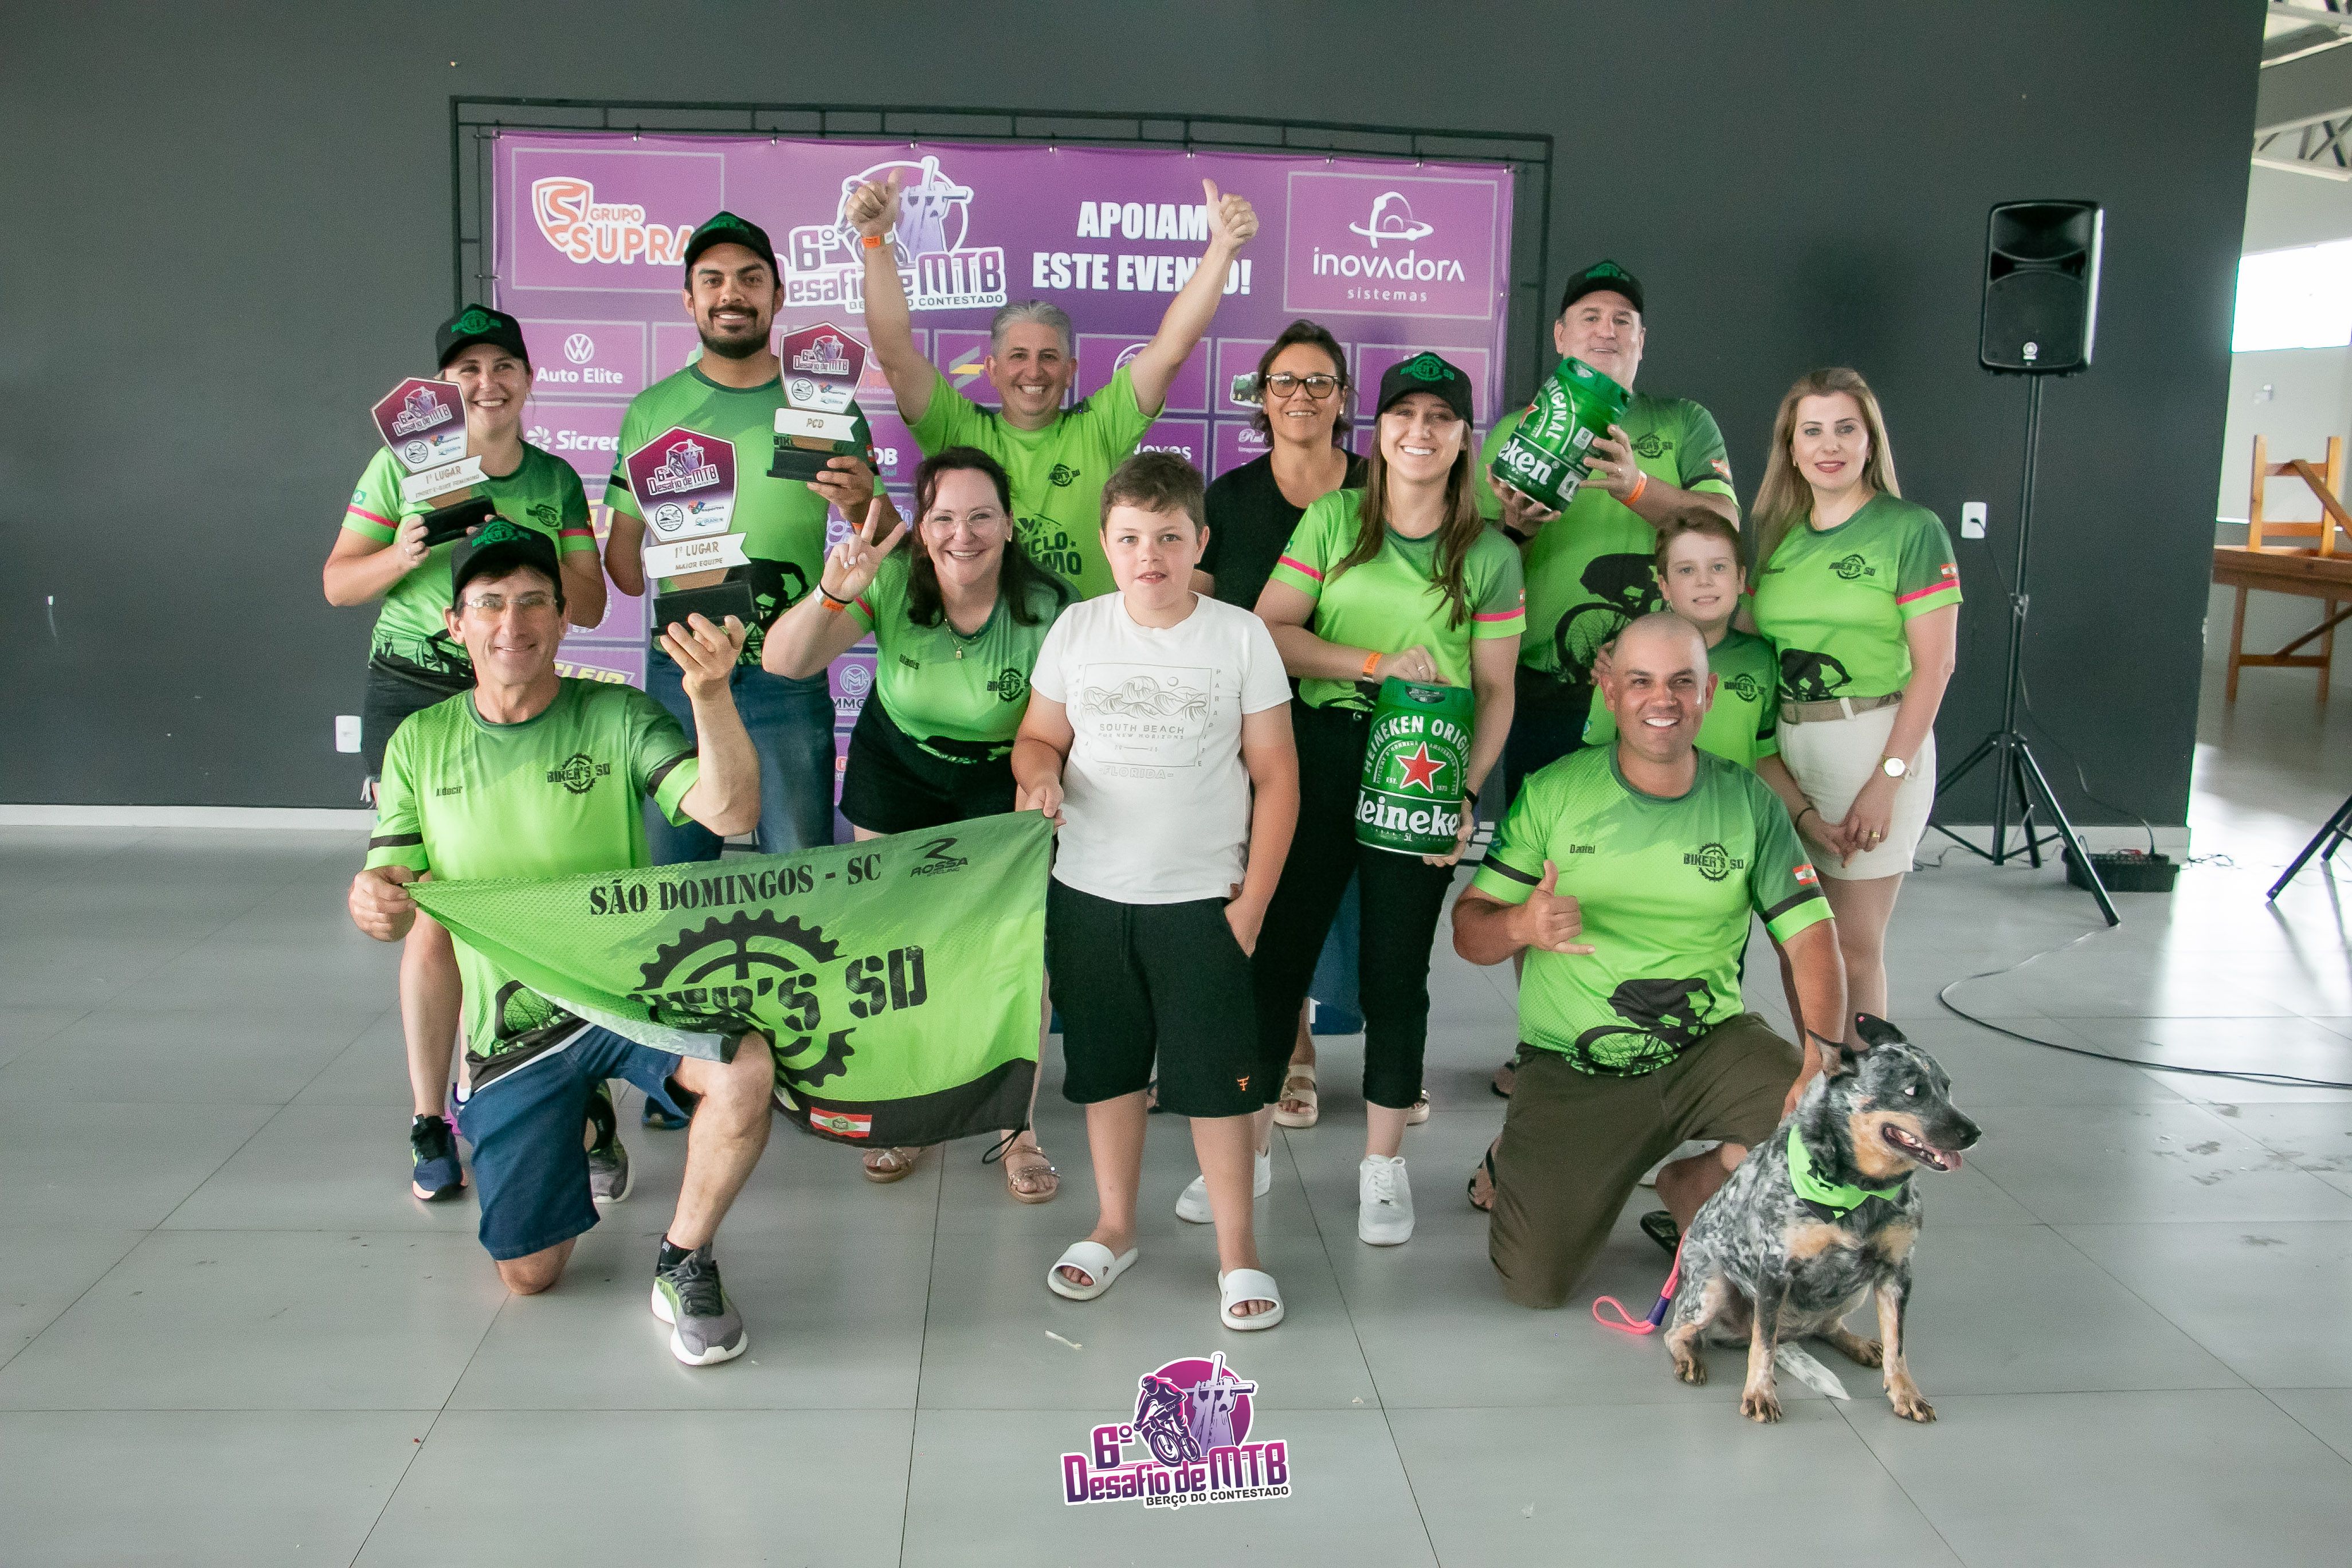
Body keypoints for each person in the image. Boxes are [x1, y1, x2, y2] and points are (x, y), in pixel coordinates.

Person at [346, 520, 777, 1366]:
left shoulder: (618, 714)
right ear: (456, 625)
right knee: (529, 1275)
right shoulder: (419, 743)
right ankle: (585, 1118)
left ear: (564, 617)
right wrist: (373, 899)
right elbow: (393, 901)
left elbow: (731, 812)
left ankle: (685, 1258)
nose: (513, 622)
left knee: (744, 1070)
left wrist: (711, 696)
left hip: (630, 994)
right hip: (516, 1027)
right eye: (490, 604)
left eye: (535, 601)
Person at [1453, 613, 1848, 1308]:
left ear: (1708, 694)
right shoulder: (1555, 792)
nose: (1661, 699)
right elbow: (1469, 931)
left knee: (1829, 1126)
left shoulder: (1749, 803)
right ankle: (1537, 1155)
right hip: (1576, 1066)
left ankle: (1694, 1183)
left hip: (1707, 1050)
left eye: (1681, 682)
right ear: (1610, 692)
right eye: (1640, 682)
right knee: (1533, 1284)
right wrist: (1520, 924)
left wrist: (1821, 1058)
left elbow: (1811, 938)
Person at [323, 304, 610, 1202]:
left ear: (529, 379)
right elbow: (338, 583)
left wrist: (535, 565)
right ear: (442, 388)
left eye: (503, 367)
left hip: (519, 682)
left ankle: (550, 1087)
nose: (487, 384)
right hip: (416, 688)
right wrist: (403, 551)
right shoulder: (397, 466)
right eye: (467, 371)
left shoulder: (554, 478)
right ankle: (430, 1116)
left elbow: (591, 604)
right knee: (431, 906)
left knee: (533, 879)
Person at [1014, 453, 1298, 1328]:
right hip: (1088, 895)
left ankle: (1238, 1252)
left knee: (1219, 1085)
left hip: (1204, 904)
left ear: (1200, 542)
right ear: (1106, 544)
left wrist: (1252, 906)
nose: (1151, 556)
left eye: (1170, 538)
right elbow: (1037, 738)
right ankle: (1114, 1226)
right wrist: (1038, 777)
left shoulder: (1240, 637)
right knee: (1107, 1072)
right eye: (1132, 538)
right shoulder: (1078, 630)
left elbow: (1278, 778)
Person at [1251, 352, 1523, 1247]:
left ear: (1463, 439)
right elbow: (1269, 632)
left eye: (1440, 418)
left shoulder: (1488, 554)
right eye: (1404, 415)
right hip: (1326, 748)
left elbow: (1497, 690)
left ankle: (1382, 1166)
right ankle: (1244, 1151)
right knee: (1281, 957)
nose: (1420, 431)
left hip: (1425, 766)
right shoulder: (1336, 518)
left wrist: (1468, 790)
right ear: (1378, 430)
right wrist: (1371, 663)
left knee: (1396, 973)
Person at [762, 446, 1073, 1200]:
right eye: (943, 518)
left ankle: (1017, 1129)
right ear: (921, 526)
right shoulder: (892, 578)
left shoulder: (1052, 607)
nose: (962, 536)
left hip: (1003, 770)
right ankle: (906, 1114)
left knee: (1012, 957)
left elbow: (1061, 731)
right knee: (895, 951)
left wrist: (1042, 786)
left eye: (981, 517)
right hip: (898, 765)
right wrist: (830, 595)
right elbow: (784, 662)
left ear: (1009, 525)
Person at [1468, 509, 1791, 1212]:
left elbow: (1767, 756)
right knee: (1597, 1028)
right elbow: (1600, 758)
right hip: (1628, 853)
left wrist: (1803, 819)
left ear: (1743, 579)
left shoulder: (1760, 662)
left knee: (1705, 1023)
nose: (1703, 582)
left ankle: (1686, 1168)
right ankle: (1530, 1143)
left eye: (1718, 568)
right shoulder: (1615, 680)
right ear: (1662, 583)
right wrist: (1532, 914)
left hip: (1717, 859)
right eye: (1686, 569)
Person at [1479, 260, 1739, 1098]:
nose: (1606, 328)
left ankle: (1675, 1049)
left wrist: (1636, 486)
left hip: (1663, 697)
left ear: (1641, 341)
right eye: (1590, 316)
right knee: (1546, 876)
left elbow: (1725, 527)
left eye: (1623, 319)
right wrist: (1515, 527)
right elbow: (1472, 558)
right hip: (1546, 689)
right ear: (1560, 335)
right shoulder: (1516, 429)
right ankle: (1548, 1048)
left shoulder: (1681, 421)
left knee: (1673, 873)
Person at [604, 210, 879, 864]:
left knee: (799, 873)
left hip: (789, 672)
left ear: (778, 296)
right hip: (685, 668)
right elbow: (624, 569)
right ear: (689, 299)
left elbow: (882, 542)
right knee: (673, 876)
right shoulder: (651, 411)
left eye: (751, 279)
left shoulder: (829, 406)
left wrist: (860, 500)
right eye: (713, 279)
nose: (732, 294)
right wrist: (666, 538)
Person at [848, 171, 1257, 598]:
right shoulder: (956, 430)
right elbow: (894, 354)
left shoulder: (1099, 427)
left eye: (1048, 357)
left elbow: (1170, 351)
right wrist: (875, 240)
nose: (1034, 372)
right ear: (991, 369)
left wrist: (1223, 249)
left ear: (1070, 370)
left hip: (1085, 638)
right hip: (985, 637)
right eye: (1018, 356)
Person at [1746, 368, 1961, 1022]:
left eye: (1845, 428)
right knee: (1799, 946)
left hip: (1872, 743)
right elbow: (1744, 635)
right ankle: (1819, 1072)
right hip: (1787, 751)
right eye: (1812, 431)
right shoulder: (1778, 534)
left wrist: (1885, 782)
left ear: (1870, 441)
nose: (1829, 445)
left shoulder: (1911, 529)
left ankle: (1864, 1083)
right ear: (1791, 448)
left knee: (1853, 948)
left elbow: (1936, 666)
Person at [1200, 320, 1370, 1132]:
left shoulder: (1386, 487)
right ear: (1261, 398)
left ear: (1344, 398)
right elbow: (1193, 610)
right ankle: (1291, 1049)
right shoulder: (1229, 499)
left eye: (1319, 382)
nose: (1301, 396)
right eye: (1284, 382)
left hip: (1372, 729)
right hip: (1253, 736)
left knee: (1375, 907)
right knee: (1265, 898)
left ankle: (1393, 1066)